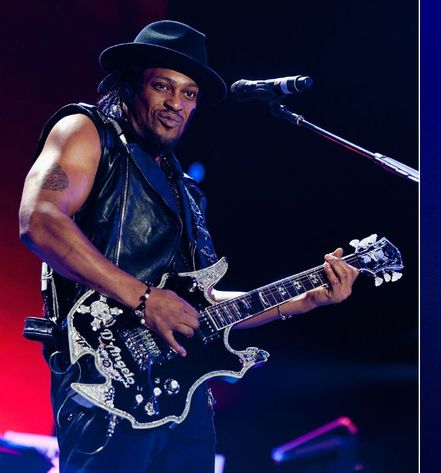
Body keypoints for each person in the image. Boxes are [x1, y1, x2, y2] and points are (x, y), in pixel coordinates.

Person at [18, 20, 359, 473]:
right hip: (105, 381)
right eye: (163, 86)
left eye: (189, 94)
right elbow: (39, 219)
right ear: (131, 81)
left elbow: (198, 307)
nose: (175, 104)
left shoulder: (187, 192)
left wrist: (303, 299)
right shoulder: (87, 130)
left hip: (181, 399)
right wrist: (143, 298)